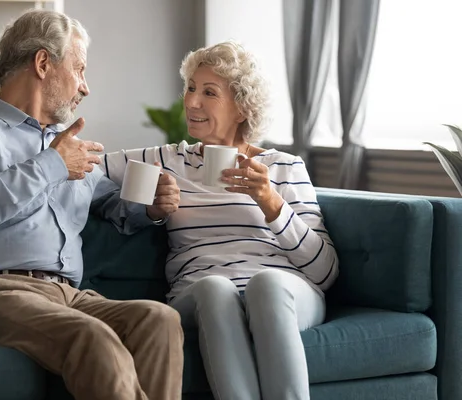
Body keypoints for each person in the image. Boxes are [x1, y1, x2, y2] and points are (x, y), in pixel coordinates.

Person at [0, 9, 184, 400]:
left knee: (158, 319)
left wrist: (151, 208)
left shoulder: (67, 145)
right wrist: (51, 164)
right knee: (92, 338)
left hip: (66, 295)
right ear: (43, 63)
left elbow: (110, 204)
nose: (86, 87)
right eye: (80, 69)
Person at [102, 41, 339, 400]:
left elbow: (324, 272)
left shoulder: (285, 168)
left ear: (242, 107)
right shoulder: (165, 161)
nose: (191, 102)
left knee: (268, 285)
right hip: (198, 293)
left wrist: (271, 202)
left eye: (209, 92)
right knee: (215, 287)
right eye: (191, 88)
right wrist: (146, 208)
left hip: (285, 291)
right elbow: (86, 169)